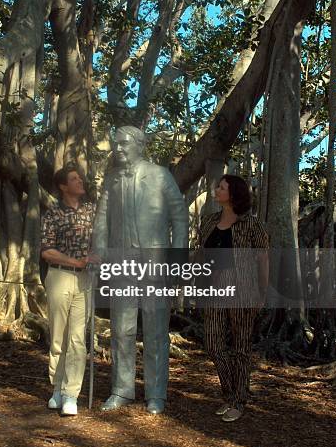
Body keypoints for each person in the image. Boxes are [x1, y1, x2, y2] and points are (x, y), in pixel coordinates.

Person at [93, 126, 188, 415]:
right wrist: (100, 253)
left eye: (122, 144)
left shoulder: (160, 175)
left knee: (156, 331)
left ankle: (156, 394)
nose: (117, 149)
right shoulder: (111, 180)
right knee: (121, 328)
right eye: (115, 144)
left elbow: (179, 217)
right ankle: (121, 390)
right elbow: (101, 221)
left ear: (139, 144)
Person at [196, 175, 269, 422]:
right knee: (214, 345)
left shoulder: (251, 225)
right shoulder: (208, 222)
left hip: (243, 291)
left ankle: (238, 401)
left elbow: (263, 260)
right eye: (218, 186)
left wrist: (261, 292)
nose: (216, 190)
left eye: (222, 187)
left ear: (234, 194)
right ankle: (230, 394)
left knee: (241, 349)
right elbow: (200, 255)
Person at [41, 165, 95, 416]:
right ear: (63, 186)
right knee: (58, 336)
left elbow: (101, 243)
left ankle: (71, 393)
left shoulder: (91, 211)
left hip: (85, 281)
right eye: (74, 179)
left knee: (77, 338)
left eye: (80, 177)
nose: (80, 181)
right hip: (60, 277)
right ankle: (57, 388)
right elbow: (46, 251)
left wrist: (96, 258)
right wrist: (76, 261)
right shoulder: (53, 213)